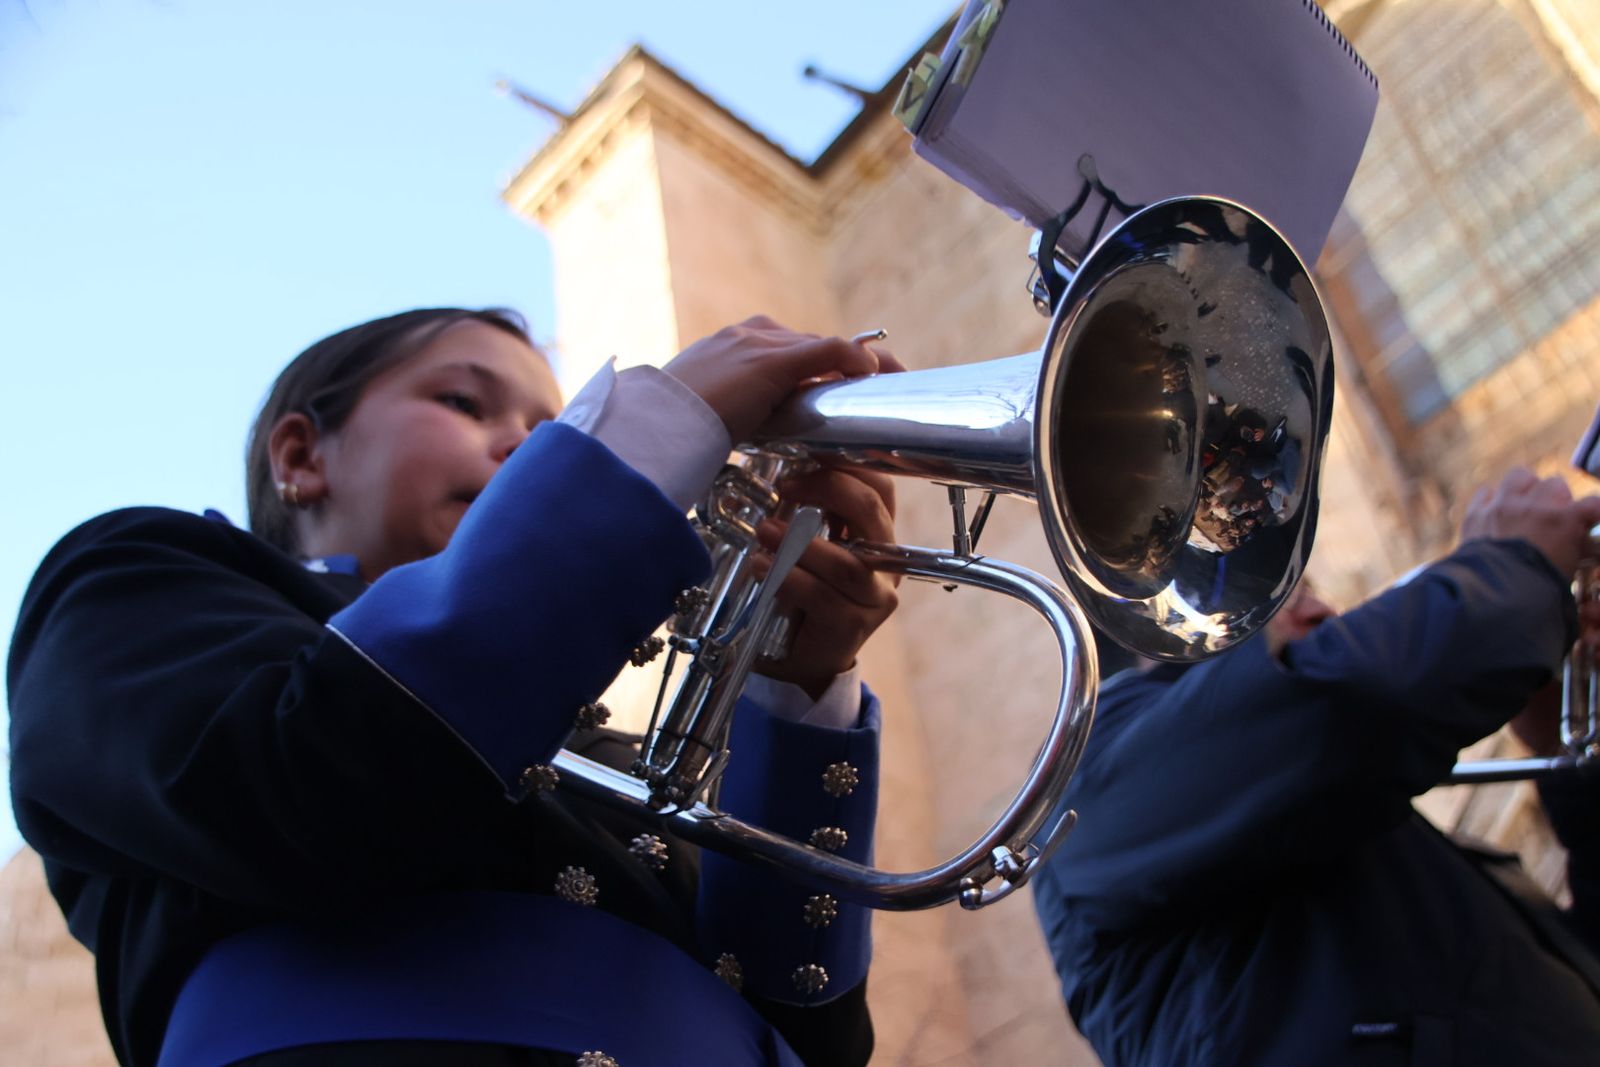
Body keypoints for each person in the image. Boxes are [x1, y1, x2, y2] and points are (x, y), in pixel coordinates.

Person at [8, 307, 905, 1067]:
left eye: (556, 425)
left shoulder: (607, 754)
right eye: (464, 402)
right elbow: (313, 782)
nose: (530, 444)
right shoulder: (135, 575)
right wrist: (648, 433)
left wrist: (797, 681)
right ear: (301, 455)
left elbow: (809, 1033)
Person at [1031, 467, 1600, 1066]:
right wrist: (1516, 570)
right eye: (1278, 601)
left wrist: (1565, 755)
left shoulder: (1342, 832)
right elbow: (1351, 702)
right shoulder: (1087, 794)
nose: (1325, 612)